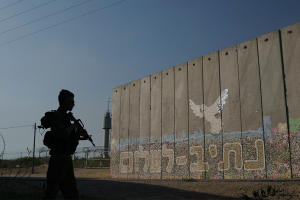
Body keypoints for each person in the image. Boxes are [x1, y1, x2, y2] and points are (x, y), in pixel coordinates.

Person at [42, 89, 88, 200]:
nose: (74, 104)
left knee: (72, 194)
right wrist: (72, 127)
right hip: (58, 160)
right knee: (53, 192)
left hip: (66, 160)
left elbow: (69, 138)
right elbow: (62, 134)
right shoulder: (57, 116)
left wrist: (81, 136)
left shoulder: (65, 118)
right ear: (66, 102)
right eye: (72, 101)